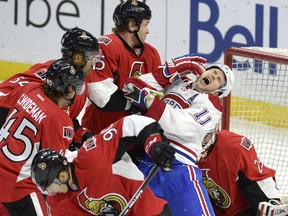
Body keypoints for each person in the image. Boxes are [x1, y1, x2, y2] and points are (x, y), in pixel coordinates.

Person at [122, 62, 235, 215]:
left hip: (178, 166)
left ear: (218, 92)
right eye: (213, 71)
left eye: (219, 79)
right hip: (148, 157)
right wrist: (176, 67)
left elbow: (178, 124)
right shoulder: (179, 82)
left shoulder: (212, 105)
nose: (214, 75)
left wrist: (149, 101)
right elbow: (132, 86)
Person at [31, 115, 175, 216]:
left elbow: (130, 123)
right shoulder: (59, 203)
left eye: (50, 188)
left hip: (152, 212)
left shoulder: (92, 157)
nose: (52, 193)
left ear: (62, 175)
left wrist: (154, 144)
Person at [0, 59, 85, 215]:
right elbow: (51, 168)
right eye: (76, 87)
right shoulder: (60, 120)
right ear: (68, 89)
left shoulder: (29, 89)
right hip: (18, 188)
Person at [81, 0, 163, 134]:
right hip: (99, 133)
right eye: (145, 25)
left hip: (133, 136)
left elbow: (158, 92)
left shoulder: (152, 53)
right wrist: (138, 102)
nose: (148, 31)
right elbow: (101, 96)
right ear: (132, 25)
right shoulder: (102, 45)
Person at [0, 27, 101, 127]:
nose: (93, 63)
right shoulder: (53, 80)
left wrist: (81, 135)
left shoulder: (77, 84)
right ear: (78, 58)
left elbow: (66, 120)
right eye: (92, 58)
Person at [198, 124, 281, 216]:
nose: (199, 141)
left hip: (243, 210)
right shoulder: (181, 151)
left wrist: (270, 205)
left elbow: (257, 179)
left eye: (205, 135)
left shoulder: (234, 146)